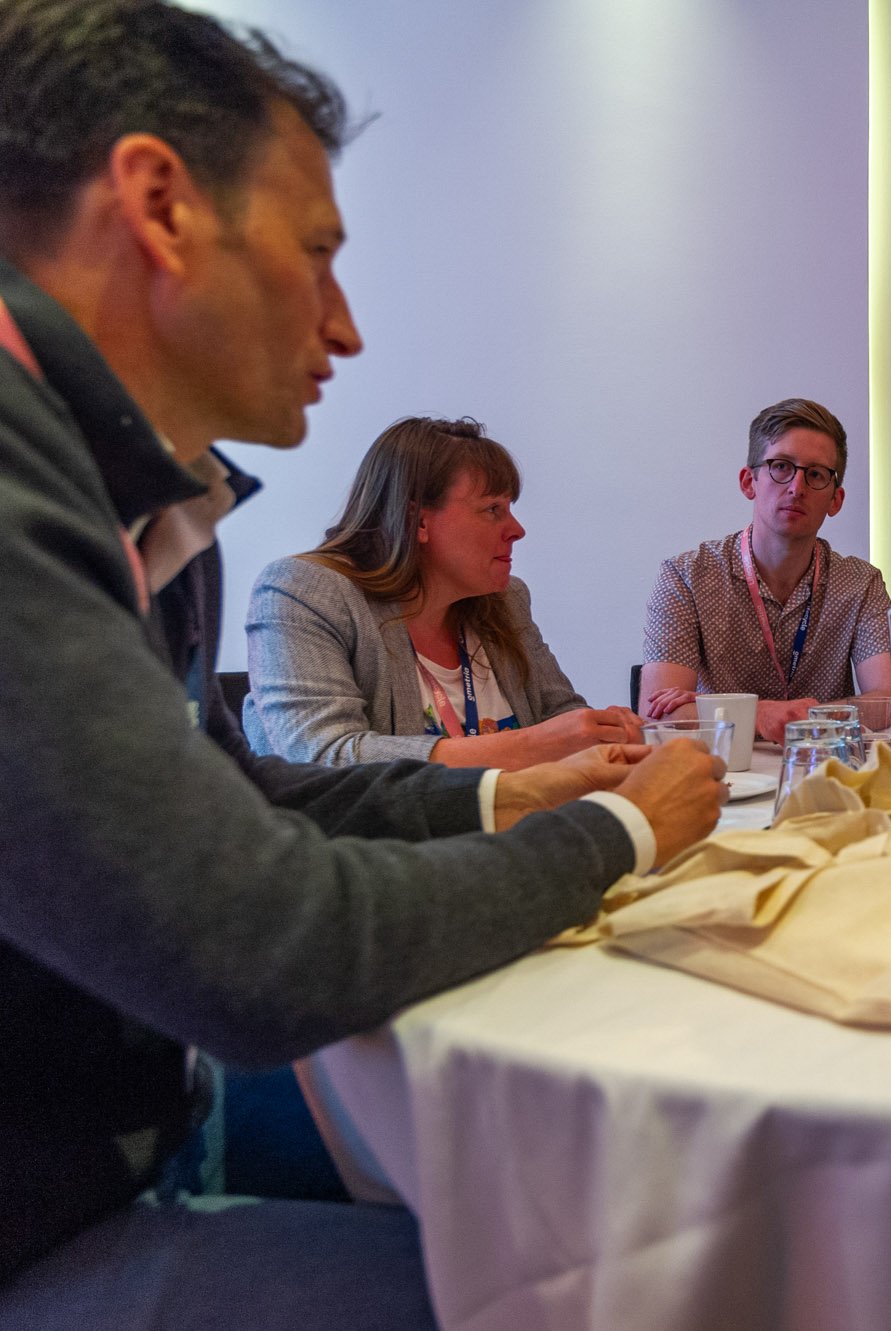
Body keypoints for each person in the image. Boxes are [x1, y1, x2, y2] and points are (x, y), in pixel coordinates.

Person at [0, 4, 724, 1323]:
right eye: (318, 254)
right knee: (627, 1284)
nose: (346, 329)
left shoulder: (162, 508)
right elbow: (268, 947)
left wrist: (511, 796)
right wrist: (620, 826)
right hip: (53, 1222)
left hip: (122, 1157)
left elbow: (256, 795)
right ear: (159, 204)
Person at [243, 416, 644, 769]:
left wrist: (608, 732)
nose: (517, 529)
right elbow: (323, 757)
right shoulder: (305, 592)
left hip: (515, 836)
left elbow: (560, 714)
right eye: (492, 510)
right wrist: (528, 746)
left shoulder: (505, 601)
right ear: (417, 521)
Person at [639, 398, 891, 741]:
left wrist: (716, 708)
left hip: (824, 771)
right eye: (781, 466)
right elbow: (657, 716)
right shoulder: (686, 576)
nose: (796, 487)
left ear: (836, 500)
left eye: (816, 474)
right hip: (720, 777)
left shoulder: (861, 583)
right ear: (749, 482)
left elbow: (890, 702)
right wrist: (761, 713)